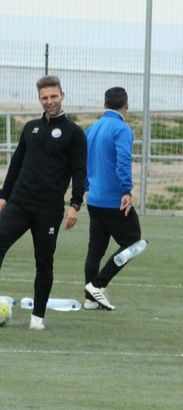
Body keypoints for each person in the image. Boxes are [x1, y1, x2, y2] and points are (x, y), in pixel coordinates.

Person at [0, 75, 86, 331]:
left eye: (53, 96)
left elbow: (79, 171)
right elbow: (16, 164)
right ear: (39, 99)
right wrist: (4, 195)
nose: (49, 102)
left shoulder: (74, 134)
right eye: (44, 98)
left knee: (44, 261)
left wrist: (76, 204)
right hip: (19, 203)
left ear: (62, 96)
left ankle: (37, 319)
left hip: (48, 209)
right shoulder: (30, 128)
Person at [83, 86, 147, 311]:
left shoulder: (91, 129)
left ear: (104, 104)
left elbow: (83, 162)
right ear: (126, 104)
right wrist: (126, 191)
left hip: (94, 199)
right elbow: (123, 160)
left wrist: (84, 188)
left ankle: (90, 299)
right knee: (135, 242)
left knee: (96, 249)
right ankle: (98, 285)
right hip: (114, 199)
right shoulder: (121, 129)